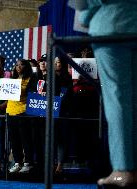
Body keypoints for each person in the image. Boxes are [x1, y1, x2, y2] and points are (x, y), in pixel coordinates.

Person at [71, 0, 137, 187]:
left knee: (117, 99)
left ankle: (123, 169)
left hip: (110, 25)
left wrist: (85, 16)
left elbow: (85, 6)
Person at [7, 59, 34, 174]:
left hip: (23, 112)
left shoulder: (30, 79)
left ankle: (28, 163)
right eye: (16, 65)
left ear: (26, 66)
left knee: (25, 139)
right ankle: (18, 163)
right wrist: (1, 90)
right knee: (14, 140)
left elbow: (32, 94)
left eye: (21, 65)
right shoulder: (12, 80)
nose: (18, 67)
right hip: (10, 111)